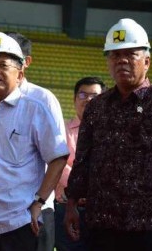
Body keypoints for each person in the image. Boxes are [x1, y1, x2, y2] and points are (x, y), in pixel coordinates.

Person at [64, 18, 152, 251]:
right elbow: (82, 160)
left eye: (130, 54)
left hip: (148, 224)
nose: (121, 60)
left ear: (147, 61)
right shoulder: (96, 107)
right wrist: (72, 203)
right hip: (101, 222)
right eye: (114, 55)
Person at [0, 31, 68, 251]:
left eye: (3, 65)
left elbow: (58, 157)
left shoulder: (35, 108)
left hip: (18, 223)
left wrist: (39, 201)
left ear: (20, 73)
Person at [54, 77, 106, 251]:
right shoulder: (61, 130)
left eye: (94, 95)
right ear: (74, 99)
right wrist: (82, 189)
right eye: (83, 94)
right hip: (67, 207)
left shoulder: (112, 134)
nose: (88, 99)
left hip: (102, 211)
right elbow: (59, 165)